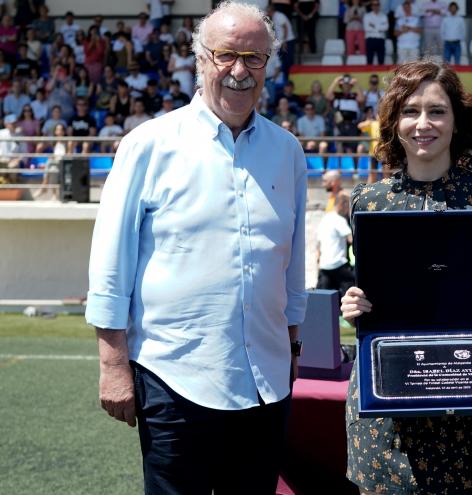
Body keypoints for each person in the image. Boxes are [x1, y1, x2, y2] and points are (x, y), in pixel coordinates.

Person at [85, 2, 308, 492]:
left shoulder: (287, 151)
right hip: (174, 374)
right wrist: (112, 365)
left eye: (254, 58)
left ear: (268, 64)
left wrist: (292, 345)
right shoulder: (149, 144)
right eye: (226, 55)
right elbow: (110, 262)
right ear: (200, 60)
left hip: (266, 381)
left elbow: (291, 263)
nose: (239, 71)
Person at [339, 59, 472, 495]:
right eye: (410, 111)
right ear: (393, 123)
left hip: (467, 404)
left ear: (456, 120)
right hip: (386, 408)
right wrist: (355, 304)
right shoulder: (369, 200)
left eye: (437, 111)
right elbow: (375, 298)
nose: (423, 123)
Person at [316, 191, 355, 296]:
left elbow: (318, 246)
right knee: (351, 295)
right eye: (348, 207)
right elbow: (351, 239)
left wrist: (318, 266)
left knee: (324, 301)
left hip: (324, 266)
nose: (348, 211)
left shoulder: (324, 219)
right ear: (343, 204)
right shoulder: (339, 220)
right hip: (338, 265)